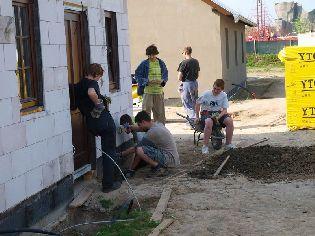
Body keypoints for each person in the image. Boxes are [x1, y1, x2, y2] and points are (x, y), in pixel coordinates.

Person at [76, 63, 121, 193]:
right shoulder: (92, 83)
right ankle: (108, 184)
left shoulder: (79, 85)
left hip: (92, 123)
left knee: (107, 151)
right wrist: (99, 103)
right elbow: (91, 93)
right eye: (99, 77)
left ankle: (110, 179)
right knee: (109, 152)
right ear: (95, 74)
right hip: (104, 122)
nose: (99, 80)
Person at [124, 111, 180, 177]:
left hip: (169, 160)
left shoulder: (152, 132)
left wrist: (121, 154)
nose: (139, 127)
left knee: (140, 150)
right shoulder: (157, 125)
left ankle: (158, 168)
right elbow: (141, 128)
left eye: (139, 124)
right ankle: (157, 166)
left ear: (144, 122)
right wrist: (130, 127)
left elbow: (136, 149)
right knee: (143, 149)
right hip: (173, 159)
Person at [195, 79, 235, 154]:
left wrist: (218, 117)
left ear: (222, 89)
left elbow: (225, 110)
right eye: (214, 88)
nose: (216, 91)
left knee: (229, 121)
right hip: (206, 112)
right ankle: (205, 146)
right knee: (209, 122)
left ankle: (228, 144)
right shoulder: (206, 94)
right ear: (213, 86)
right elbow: (197, 104)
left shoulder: (223, 95)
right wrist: (197, 117)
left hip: (218, 113)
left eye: (218, 89)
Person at [135, 44, 168, 124]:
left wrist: (163, 81)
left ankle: (160, 131)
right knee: (146, 113)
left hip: (159, 92)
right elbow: (137, 75)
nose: (151, 57)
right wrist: (146, 81)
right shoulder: (144, 63)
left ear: (156, 54)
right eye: (149, 55)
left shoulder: (161, 63)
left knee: (160, 114)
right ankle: (146, 131)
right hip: (148, 92)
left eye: (153, 55)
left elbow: (165, 75)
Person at [177, 46, 200, 120]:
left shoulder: (184, 62)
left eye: (183, 53)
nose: (182, 54)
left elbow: (179, 76)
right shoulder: (196, 61)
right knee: (194, 102)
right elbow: (198, 74)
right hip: (194, 83)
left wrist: (181, 83)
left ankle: (192, 121)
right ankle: (196, 118)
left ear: (186, 52)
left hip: (186, 83)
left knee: (187, 102)